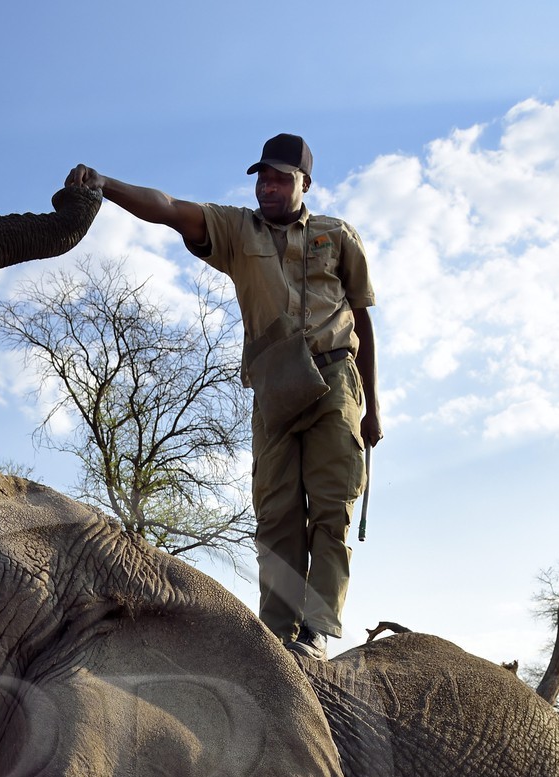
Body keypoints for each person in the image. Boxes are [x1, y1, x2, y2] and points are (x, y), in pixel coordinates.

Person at [66, 136, 381, 659]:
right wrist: (107, 185)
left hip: (336, 378)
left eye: (281, 178)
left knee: (332, 507)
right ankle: (279, 639)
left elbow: (364, 318)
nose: (268, 187)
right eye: (262, 178)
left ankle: (317, 629)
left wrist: (373, 407)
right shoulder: (237, 230)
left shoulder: (337, 235)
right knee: (276, 514)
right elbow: (169, 209)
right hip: (276, 383)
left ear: (306, 182)